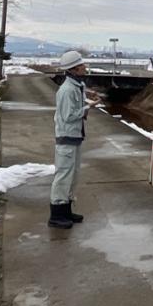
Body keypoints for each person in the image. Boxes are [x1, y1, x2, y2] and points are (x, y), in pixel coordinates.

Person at [48, 50, 92, 229]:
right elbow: (68, 115)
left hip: (74, 136)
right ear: (73, 69)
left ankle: (66, 210)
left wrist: (87, 103)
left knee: (73, 175)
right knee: (64, 175)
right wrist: (87, 108)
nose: (84, 67)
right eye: (81, 65)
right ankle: (56, 214)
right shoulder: (67, 90)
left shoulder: (77, 86)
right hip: (67, 136)